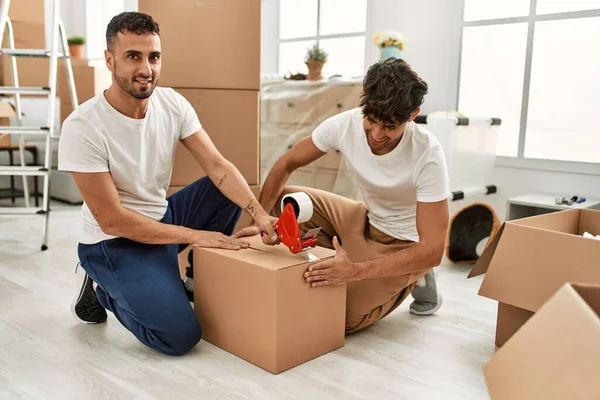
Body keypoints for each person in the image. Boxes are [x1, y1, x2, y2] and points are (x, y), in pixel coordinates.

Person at [58, 12, 278, 356]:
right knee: (179, 337)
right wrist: (195, 235)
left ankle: (187, 277)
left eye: (153, 57)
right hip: (114, 242)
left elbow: (218, 166)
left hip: (163, 219)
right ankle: (102, 286)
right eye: (133, 56)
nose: (146, 69)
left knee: (221, 189)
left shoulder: (172, 103)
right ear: (109, 59)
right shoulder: (83, 126)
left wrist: (261, 214)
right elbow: (111, 219)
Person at [235, 58, 450, 333]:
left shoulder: (427, 155)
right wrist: (259, 220)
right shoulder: (345, 124)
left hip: (403, 242)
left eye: (389, 126)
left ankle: (416, 274)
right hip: (362, 218)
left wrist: (356, 272)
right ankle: (354, 258)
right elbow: (286, 163)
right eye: (371, 121)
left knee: (341, 318)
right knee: (286, 200)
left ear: (412, 114)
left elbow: (433, 250)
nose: (376, 134)